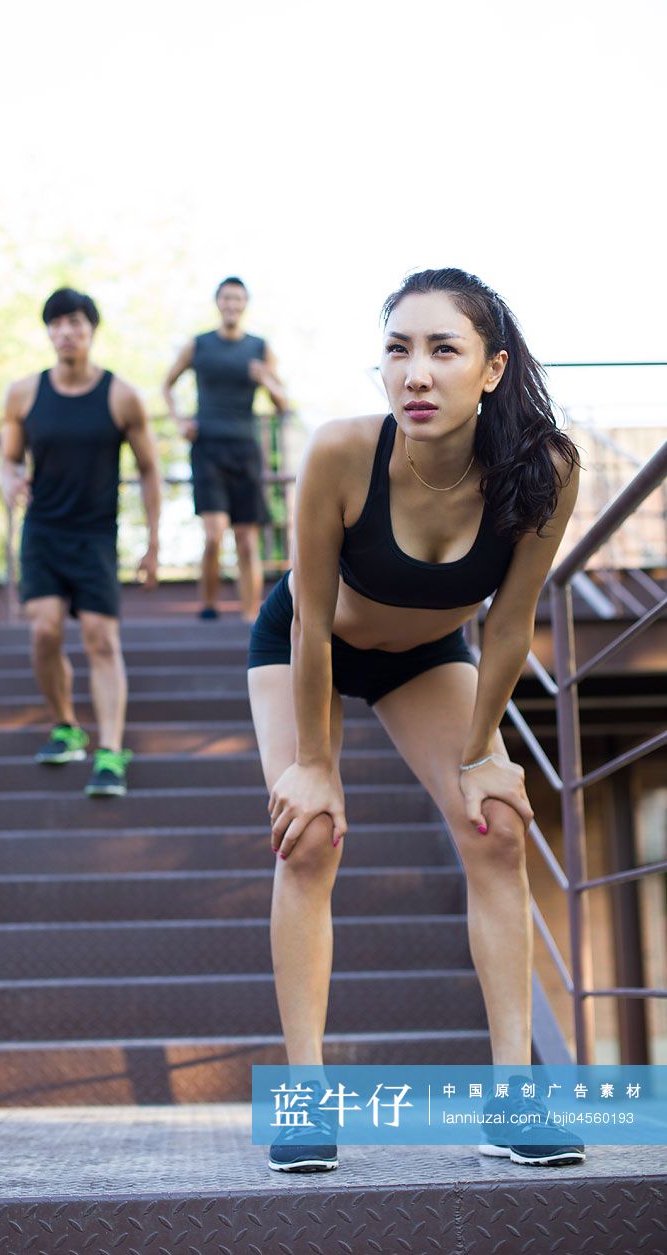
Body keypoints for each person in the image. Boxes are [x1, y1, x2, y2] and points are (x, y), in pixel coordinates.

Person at [247, 268, 584, 1172]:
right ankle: (306, 1095)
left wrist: (479, 755)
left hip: (426, 654)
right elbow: (310, 619)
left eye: (443, 349)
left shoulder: (544, 469)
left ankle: (513, 1099)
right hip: (307, 641)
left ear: (491, 369)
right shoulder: (340, 452)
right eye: (397, 349)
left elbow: (508, 623)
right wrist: (314, 763)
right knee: (307, 835)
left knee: (497, 826)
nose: (416, 372)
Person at [0, 287, 160, 797]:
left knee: (100, 638)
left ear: (92, 330)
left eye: (75, 323)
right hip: (43, 531)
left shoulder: (121, 396)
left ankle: (110, 752)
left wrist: (153, 543)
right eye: (57, 324)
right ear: (48, 332)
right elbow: (9, 459)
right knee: (44, 631)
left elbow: (150, 470)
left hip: (94, 536)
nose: (66, 332)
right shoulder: (24, 394)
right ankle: (66, 726)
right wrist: (9, 480)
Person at [162, 276, 289, 623]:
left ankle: (251, 617)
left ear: (244, 304)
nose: (231, 304)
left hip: (245, 449)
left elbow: (282, 404)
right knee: (214, 533)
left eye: (237, 299)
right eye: (226, 298)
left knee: (246, 539)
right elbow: (167, 384)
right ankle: (208, 607)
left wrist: (266, 380)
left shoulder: (259, 348)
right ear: (218, 303)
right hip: (207, 448)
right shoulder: (198, 345)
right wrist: (180, 421)